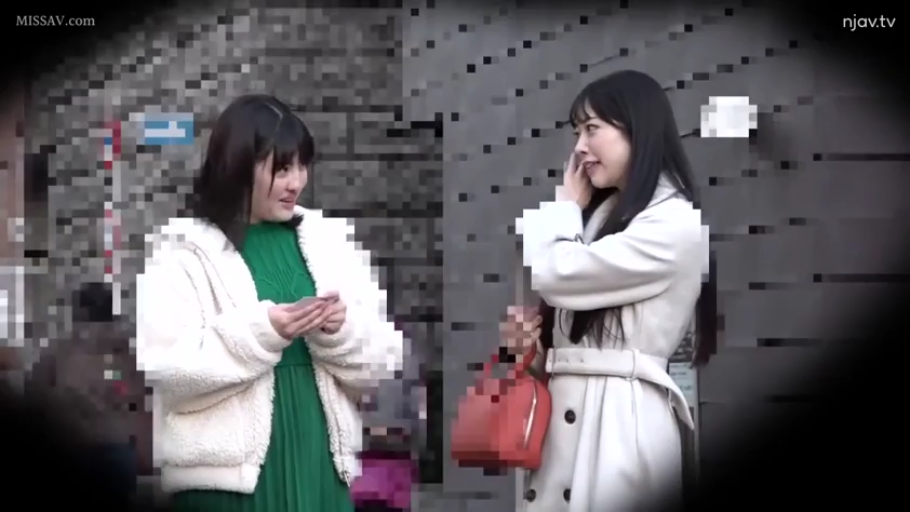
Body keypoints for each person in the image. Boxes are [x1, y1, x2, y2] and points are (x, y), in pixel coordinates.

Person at [136, 94, 403, 512]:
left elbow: (384, 359)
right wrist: (263, 333)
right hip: (226, 485)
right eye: (281, 169)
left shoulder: (330, 240)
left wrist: (338, 331)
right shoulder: (182, 249)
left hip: (321, 466)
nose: (296, 182)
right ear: (238, 166)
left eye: (301, 166)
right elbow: (167, 369)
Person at [503, 70, 713, 511]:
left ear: (637, 128)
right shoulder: (599, 217)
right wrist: (528, 351)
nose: (580, 147)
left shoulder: (673, 222)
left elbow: (559, 274)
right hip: (570, 427)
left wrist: (563, 209)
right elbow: (564, 310)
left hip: (619, 425)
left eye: (592, 128)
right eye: (577, 132)